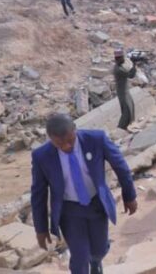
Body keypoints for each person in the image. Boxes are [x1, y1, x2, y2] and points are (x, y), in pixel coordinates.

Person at [31, 113, 137, 274]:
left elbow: (120, 166)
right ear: (50, 139)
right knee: (80, 255)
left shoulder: (96, 139)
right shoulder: (41, 156)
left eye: (70, 141)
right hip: (70, 211)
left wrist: (129, 196)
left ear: (75, 130)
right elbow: (38, 193)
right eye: (60, 144)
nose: (66, 147)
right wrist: (41, 228)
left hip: (96, 204)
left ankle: (96, 262)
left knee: (99, 250)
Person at [113, 48, 137, 131]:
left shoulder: (119, 66)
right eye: (121, 58)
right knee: (126, 111)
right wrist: (134, 63)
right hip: (123, 92)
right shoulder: (118, 70)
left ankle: (124, 128)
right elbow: (131, 75)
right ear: (117, 59)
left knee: (130, 108)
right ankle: (120, 129)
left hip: (125, 91)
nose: (123, 59)